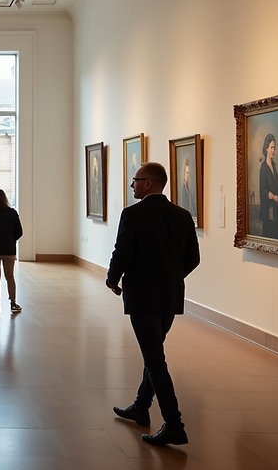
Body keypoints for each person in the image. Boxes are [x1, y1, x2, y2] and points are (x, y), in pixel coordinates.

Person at [106, 162, 200, 446]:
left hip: (144, 297)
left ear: (148, 183)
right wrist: (171, 277)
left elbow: (122, 251)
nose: (132, 185)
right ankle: (140, 406)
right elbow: (193, 258)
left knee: (155, 360)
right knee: (154, 351)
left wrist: (113, 278)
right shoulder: (183, 215)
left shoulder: (133, 214)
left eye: (135, 180)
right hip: (170, 296)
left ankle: (174, 424)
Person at [259, 133, 278, 239]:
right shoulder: (263, 168)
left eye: (274, 148)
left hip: (276, 212)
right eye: (271, 148)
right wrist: (273, 197)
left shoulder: (274, 166)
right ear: (266, 148)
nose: (273, 151)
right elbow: (263, 191)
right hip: (268, 213)